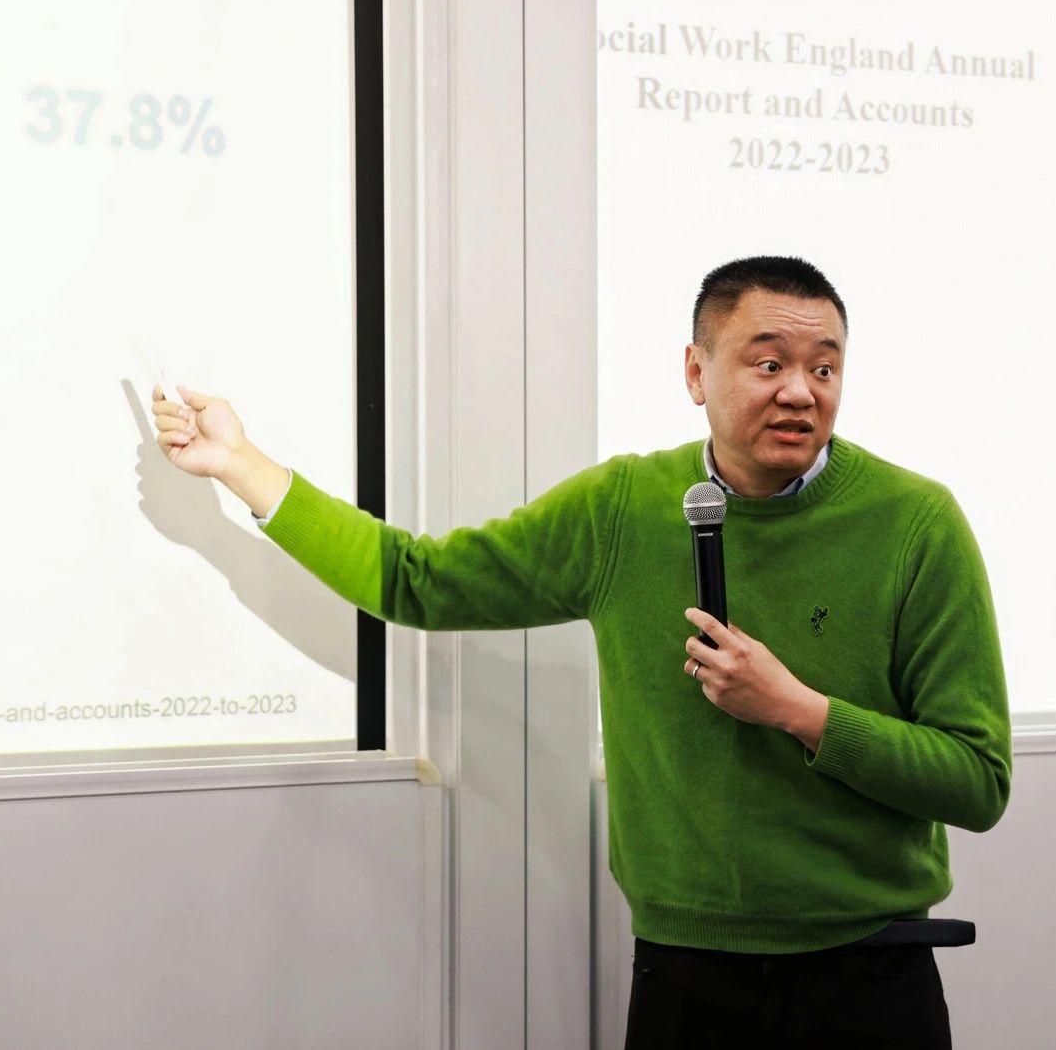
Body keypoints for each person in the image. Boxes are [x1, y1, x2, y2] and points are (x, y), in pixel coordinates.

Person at [149, 256, 1011, 1048]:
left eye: (824, 368)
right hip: (685, 971)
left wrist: (798, 710)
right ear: (695, 372)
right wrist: (241, 464)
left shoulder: (914, 524)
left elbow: (976, 780)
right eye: (768, 362)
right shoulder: (623, 508)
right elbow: (419, 582)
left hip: (868, 973)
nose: (799, 392)